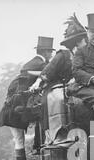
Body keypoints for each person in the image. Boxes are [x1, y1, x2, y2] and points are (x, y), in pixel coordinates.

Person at [0, 36, 55, 160]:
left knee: (20, 139)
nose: (52, 55)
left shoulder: (33, 63)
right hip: (14, 110)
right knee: (19, 139)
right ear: (46, 52)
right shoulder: (40, 64)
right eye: (50, 53)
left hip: (12, 108)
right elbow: (50, 72)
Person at [29, 14, 88, 142]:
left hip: (76, 87)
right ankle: (59, 135)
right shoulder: (63, 55)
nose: (86, 43)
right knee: (60, 99)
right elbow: (49, 70)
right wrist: (38, 82)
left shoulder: (85, 56)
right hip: (56, 88)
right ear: (77, 42)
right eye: (84, 40)